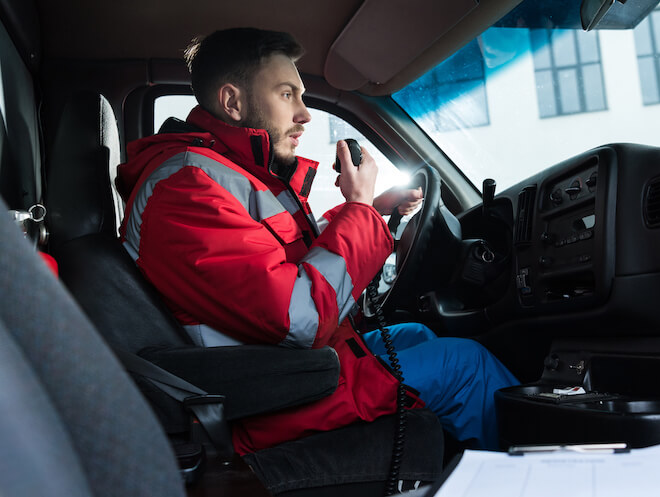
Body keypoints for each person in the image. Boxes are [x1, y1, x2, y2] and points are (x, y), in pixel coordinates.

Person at [116, 27, 518, 455]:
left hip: (287, 369)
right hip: (265, 400)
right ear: (232, 102)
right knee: (466, 365)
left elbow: (281, 254)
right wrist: (359, 213)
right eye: (288, 94)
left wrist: (369, 210)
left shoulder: (227, 173)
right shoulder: (185, 188)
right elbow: (299, 317)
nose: (305, 114)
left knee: (418, 334)